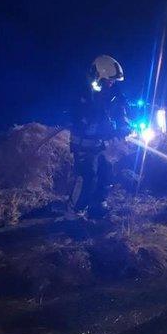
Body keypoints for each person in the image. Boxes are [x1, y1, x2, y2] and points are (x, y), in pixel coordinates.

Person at [70, 55, 129, 217]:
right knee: (88, 177)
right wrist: (102, 128)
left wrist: (124, 126)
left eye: (113, 81)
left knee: (106, 173)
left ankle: (98, 206)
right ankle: (74, 212)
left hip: (102, 144)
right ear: (98, 76)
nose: (112, 83)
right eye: (109, 80)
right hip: (84, 144)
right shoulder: (84, 93)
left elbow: (121, 112)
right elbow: (81, 120)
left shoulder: (114, 93)